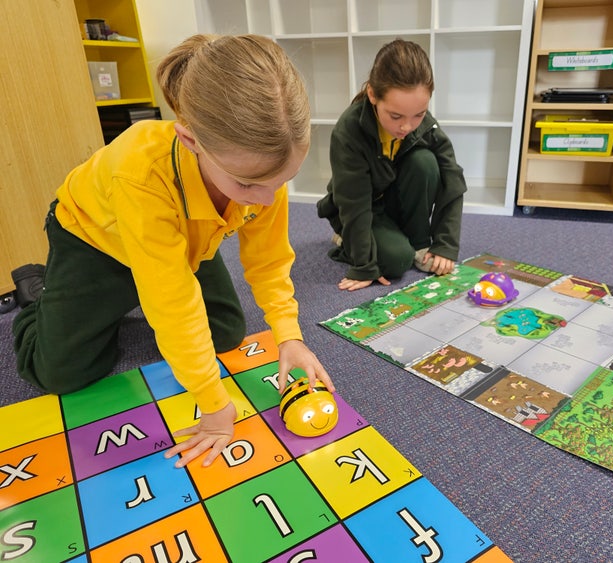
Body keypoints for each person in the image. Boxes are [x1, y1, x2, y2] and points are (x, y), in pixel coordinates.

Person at [11, 34, 334, 468]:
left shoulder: (262, 169)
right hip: (95, 240)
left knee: (224, 335)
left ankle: (117, 300)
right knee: (61, 374)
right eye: (247, 185)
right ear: (191, 141)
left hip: (186, 239)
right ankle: (39, 292)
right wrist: (215, 407)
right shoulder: (140, 173)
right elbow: (173, 305)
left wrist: (288, 334)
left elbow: (269, 260)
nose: (265, 199)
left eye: (279, 183)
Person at [316, 38, 467, 292]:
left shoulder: (424, 125)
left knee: (425, 161)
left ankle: (418, 243)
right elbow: (354, 205)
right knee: (396, 260)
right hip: (359, 207)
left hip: (394, 199)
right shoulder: (349, 131)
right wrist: (364, 265)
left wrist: (445, 244)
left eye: (418, 114)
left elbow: (452, 178)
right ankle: (347, 240)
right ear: (373, 94)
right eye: (396, 116)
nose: (407, 127)